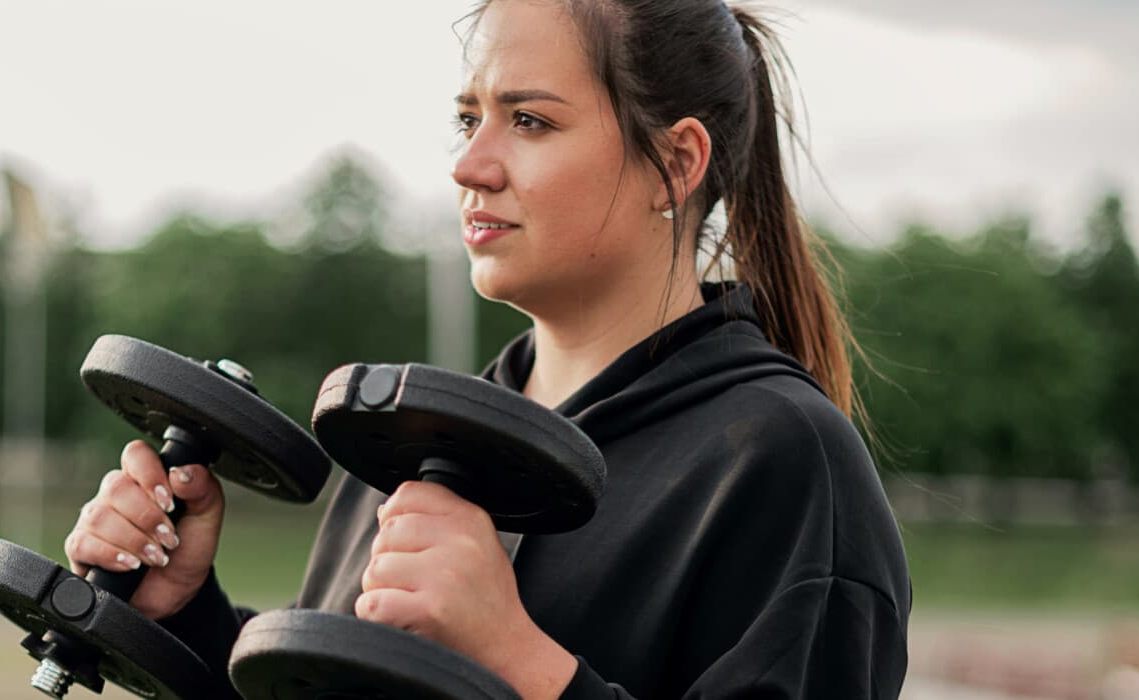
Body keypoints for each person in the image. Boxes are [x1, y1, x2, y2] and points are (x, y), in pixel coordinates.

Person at [62, 0, 911, 697]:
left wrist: (519, 659)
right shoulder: (409, 444)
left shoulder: (782, 462)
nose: (470, 163)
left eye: (530, 120)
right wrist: (188, 615)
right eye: (469, 118)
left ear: (676, 162)